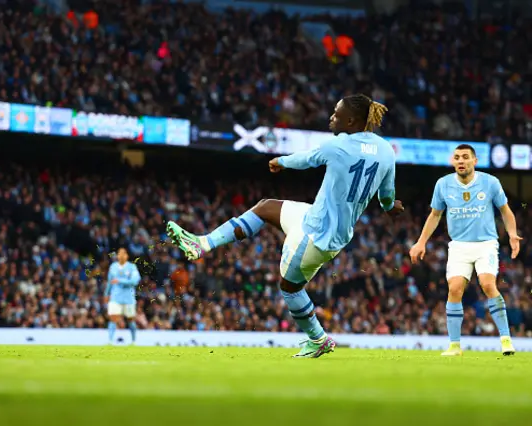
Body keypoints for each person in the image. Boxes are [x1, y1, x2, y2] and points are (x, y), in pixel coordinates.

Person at [167, 94, 404, 358]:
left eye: (337, 114)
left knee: (290, 288)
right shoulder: (385, 150)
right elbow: (386, 196)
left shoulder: (339, 145)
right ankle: (202, 243)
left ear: (351, 120)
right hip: (323, 224)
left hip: (314, 236)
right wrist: (389, 208)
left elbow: (306, 159)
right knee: (266, 207)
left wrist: (280, 161)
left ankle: (319, 339)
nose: (332, 117)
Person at [409, 144, 521, 357]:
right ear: (453, 161)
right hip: (459, 246)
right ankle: (454, 346)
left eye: (465, 157)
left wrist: (513, 234)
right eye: (457, 157)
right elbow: (434, 215)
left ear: (474, 161)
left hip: (485, 243)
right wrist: (421, 242)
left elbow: (506, 211)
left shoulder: (490, 183)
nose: (461, 161)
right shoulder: (443, 184)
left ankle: (506, 340)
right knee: (454, 289)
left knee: (488, 284)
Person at [105, 247, 141, 344]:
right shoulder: (113, 267)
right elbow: (109, 281)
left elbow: (135, 281)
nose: (121, 255)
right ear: (117, 256)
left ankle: (133, 341)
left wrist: (120, 280)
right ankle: (110, 341)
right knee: (113, 318)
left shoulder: (132, 267)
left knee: (130, 321)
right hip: (115, 297)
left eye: (123, 253)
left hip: (128, 298)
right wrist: (106, 294)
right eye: (119, 253)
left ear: (127, 256)